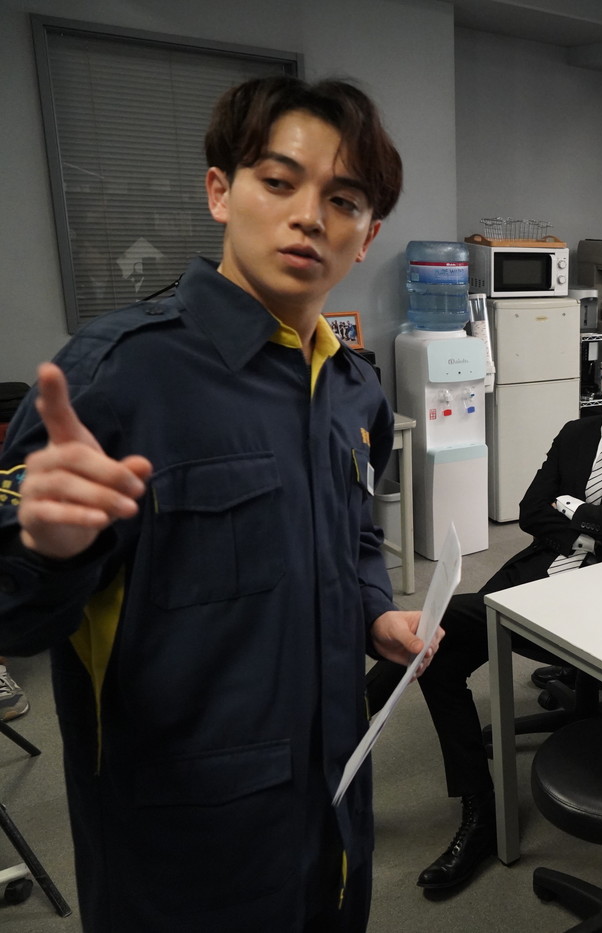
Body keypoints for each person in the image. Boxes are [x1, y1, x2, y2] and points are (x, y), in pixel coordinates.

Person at [0, 76, 430, 932]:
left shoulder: (355, 390)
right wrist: (49, 549)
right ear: (220, 192)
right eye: (279, 181)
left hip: (334, 802)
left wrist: (375, 611)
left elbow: (354, 535)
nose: (309, 217)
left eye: (343, 200)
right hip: (184, 848)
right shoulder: (117, 376)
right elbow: (12, 615)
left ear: (368, 236)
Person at [365, 327, 602, 893]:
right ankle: (481, 811)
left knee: (436, 624)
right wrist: (594, 517)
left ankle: (351, 717)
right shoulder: (576, 433)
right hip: (536, 573)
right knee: (439, 658)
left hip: (601, 594)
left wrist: (572, 508)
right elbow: (529, 512)